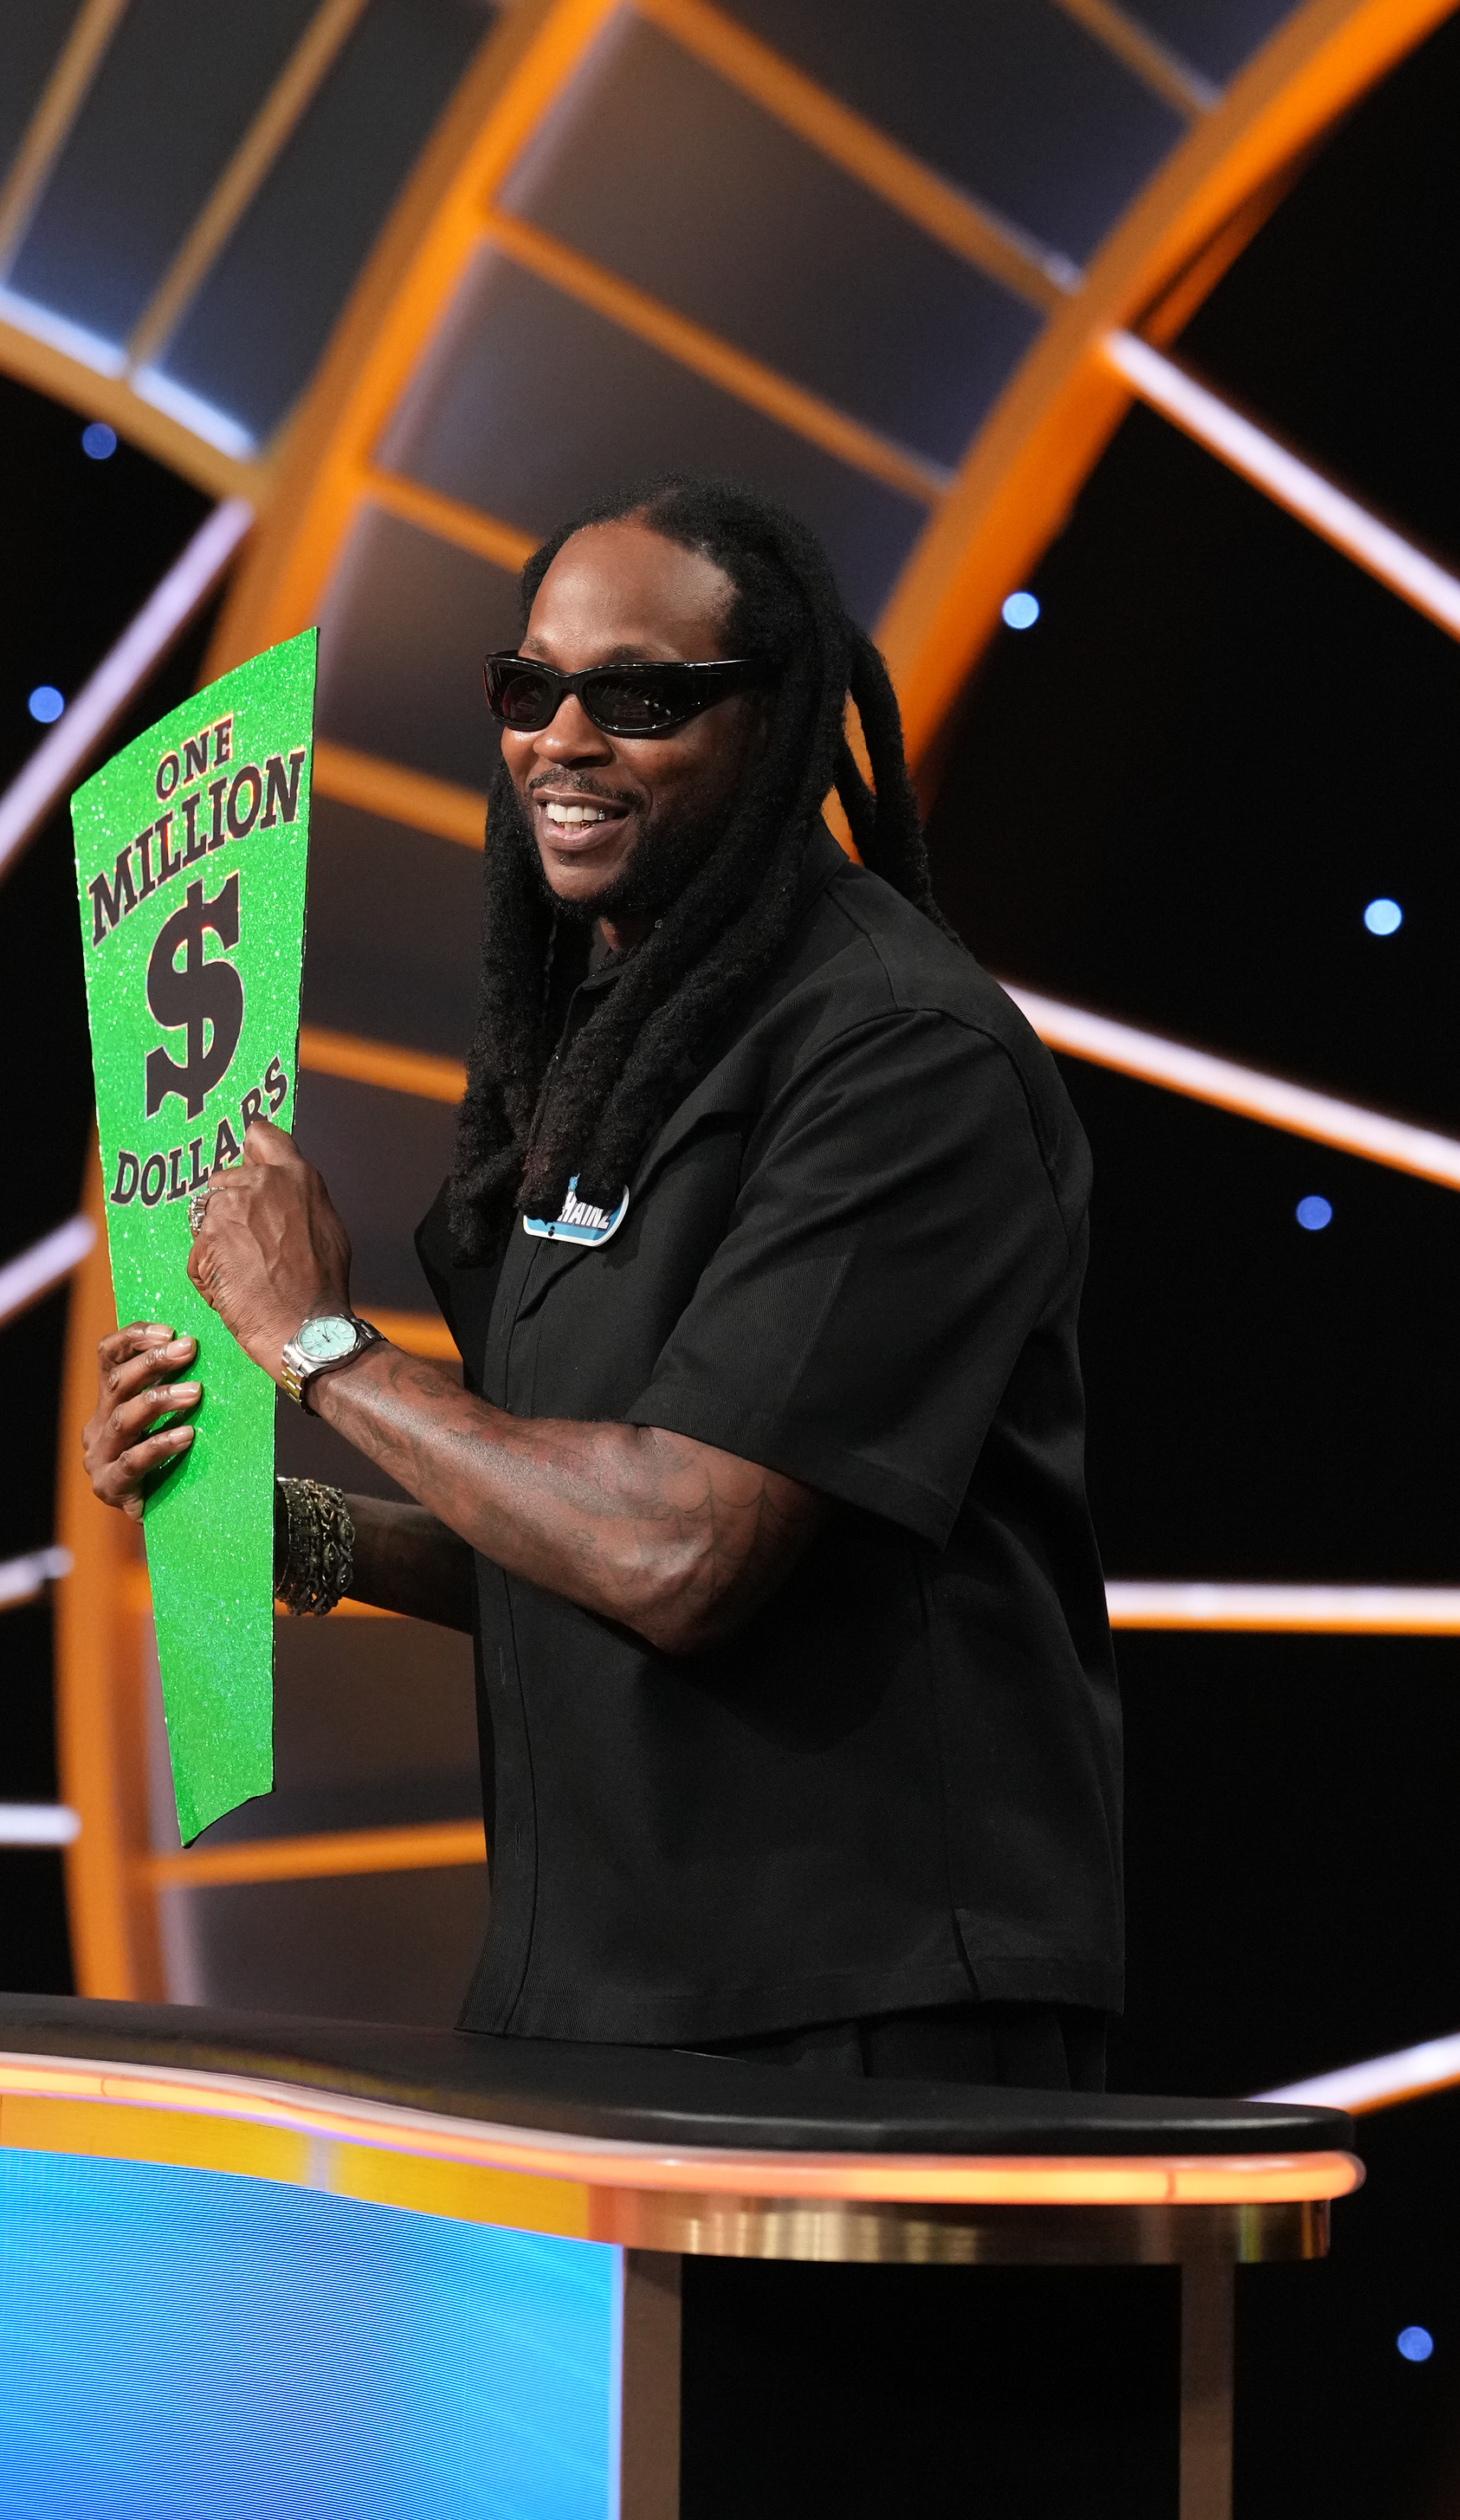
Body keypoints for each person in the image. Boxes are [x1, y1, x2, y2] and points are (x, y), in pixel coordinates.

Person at [83, 475, 1121, 2089]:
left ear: (778, 726)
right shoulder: (598, 1049)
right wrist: (286, 1528)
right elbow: (565, 1524)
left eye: (638, 697)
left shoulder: (902, 1055)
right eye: (530, 687)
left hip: (862, 2010)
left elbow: (679, 1550)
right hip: (592, 1994)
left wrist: (324, 1349)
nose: (562, 740)